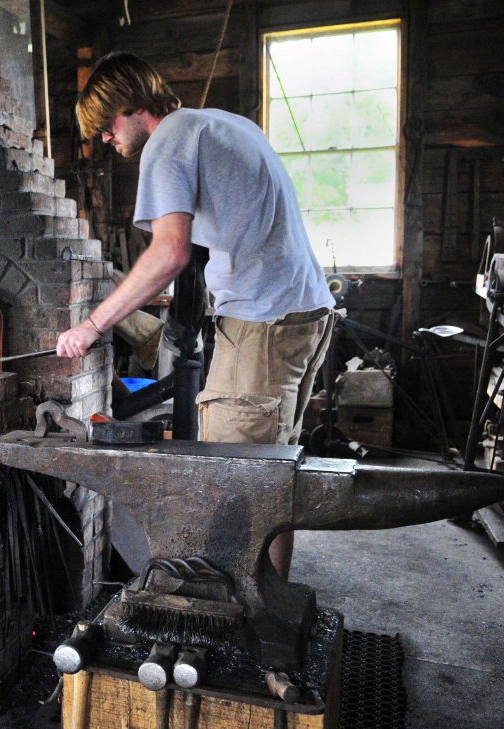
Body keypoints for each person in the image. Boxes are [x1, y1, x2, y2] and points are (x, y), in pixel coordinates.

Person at [55, 52, 336, 579]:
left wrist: (90, 326)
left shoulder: (169, 141)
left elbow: (170, 253)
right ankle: (270, 608)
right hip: (304, 312)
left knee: (234, 484)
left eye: (106, 127)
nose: (106, 142)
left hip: (263, 325)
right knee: (272, 476)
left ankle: (247, 619)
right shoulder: (223, 122)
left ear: (132, 106)